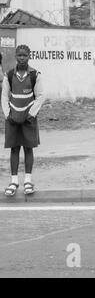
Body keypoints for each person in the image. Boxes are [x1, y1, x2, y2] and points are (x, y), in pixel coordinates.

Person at [1, 45, 45, 197]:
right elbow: (5, 96)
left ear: (29, 56)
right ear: (15, 56)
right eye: (19, 55)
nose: (22, 58)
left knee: (28, 148)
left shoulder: (35, 75)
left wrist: (31, 114)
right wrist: (8, 115)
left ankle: (27, 180)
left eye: (24, 55)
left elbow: (40, 96)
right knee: (14, 149)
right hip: (13, 118)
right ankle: (14, 181)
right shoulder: (9, 75)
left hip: (28, 119)